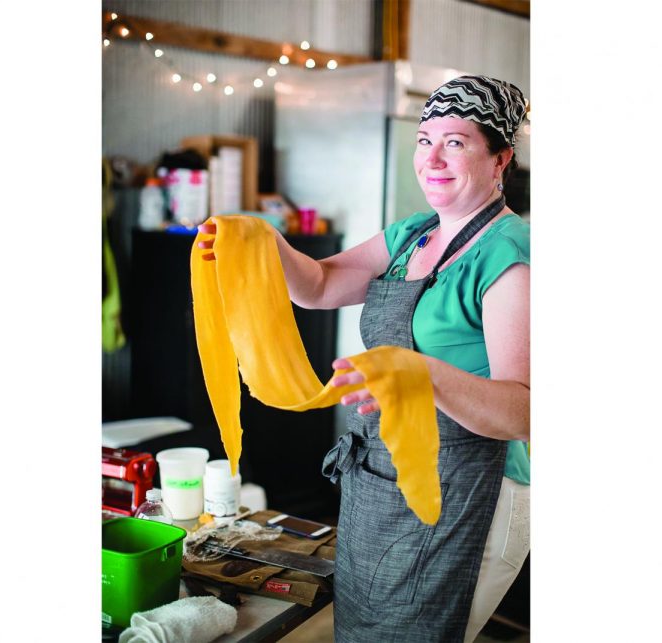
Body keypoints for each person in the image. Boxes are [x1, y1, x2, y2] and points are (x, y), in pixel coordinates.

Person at [198, 74, 529, 643]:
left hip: (473, 490)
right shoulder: (411, 236)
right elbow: (322, 284)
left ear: (500, 158)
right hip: (385, 476)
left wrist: (418, 373)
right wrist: (262, 240)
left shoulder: (509, 253)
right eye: (425, 140)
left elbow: (522, 412)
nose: (433, 158)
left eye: (456, 141)